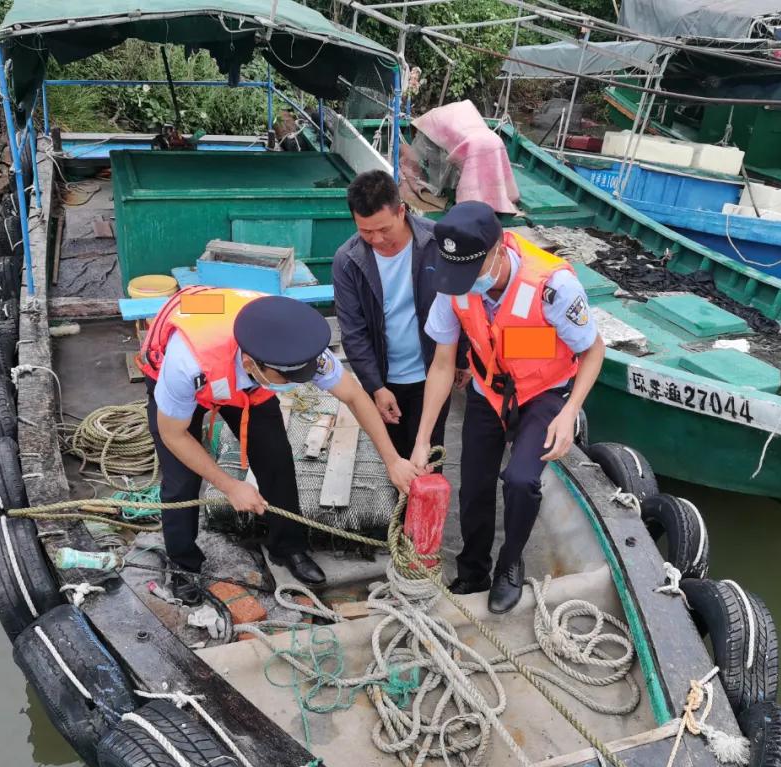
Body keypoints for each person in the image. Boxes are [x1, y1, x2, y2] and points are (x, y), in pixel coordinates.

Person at [139, 287, 421, 605]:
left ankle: (288, 546)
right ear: (251, 363)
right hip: (196, 363)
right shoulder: (185, 364)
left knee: (276, 460)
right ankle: (183, 565)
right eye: (287, 380)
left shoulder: (297, 347)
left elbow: (354, 395)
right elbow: (174, 435)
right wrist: (230, 485)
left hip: (242, 364)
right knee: (181, 482)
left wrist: (393, 460)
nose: (294, 386)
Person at [409, 202, 606, 614]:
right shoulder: (454, 287)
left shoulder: (553, 287)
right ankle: (473, 568)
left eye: (471, 274)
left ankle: (509, 562)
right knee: (474, 485)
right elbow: (443, 364)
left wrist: (570, 412)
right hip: (487, 391)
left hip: (543, 393)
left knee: (520, 480)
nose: (463, 285)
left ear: (499, 250)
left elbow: (592, 350)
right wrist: (424, 438)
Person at [332, 170, 468, 459]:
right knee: (394, 461)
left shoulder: (437, 244)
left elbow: (463, 304)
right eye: (365, 231)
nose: (377, 239)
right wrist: (375, 386)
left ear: (401, 211)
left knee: (428, 459)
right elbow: (353, 332)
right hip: (384, 378)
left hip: (432, 373)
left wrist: (463, 358)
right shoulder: (347, 261)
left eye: (384, 229)